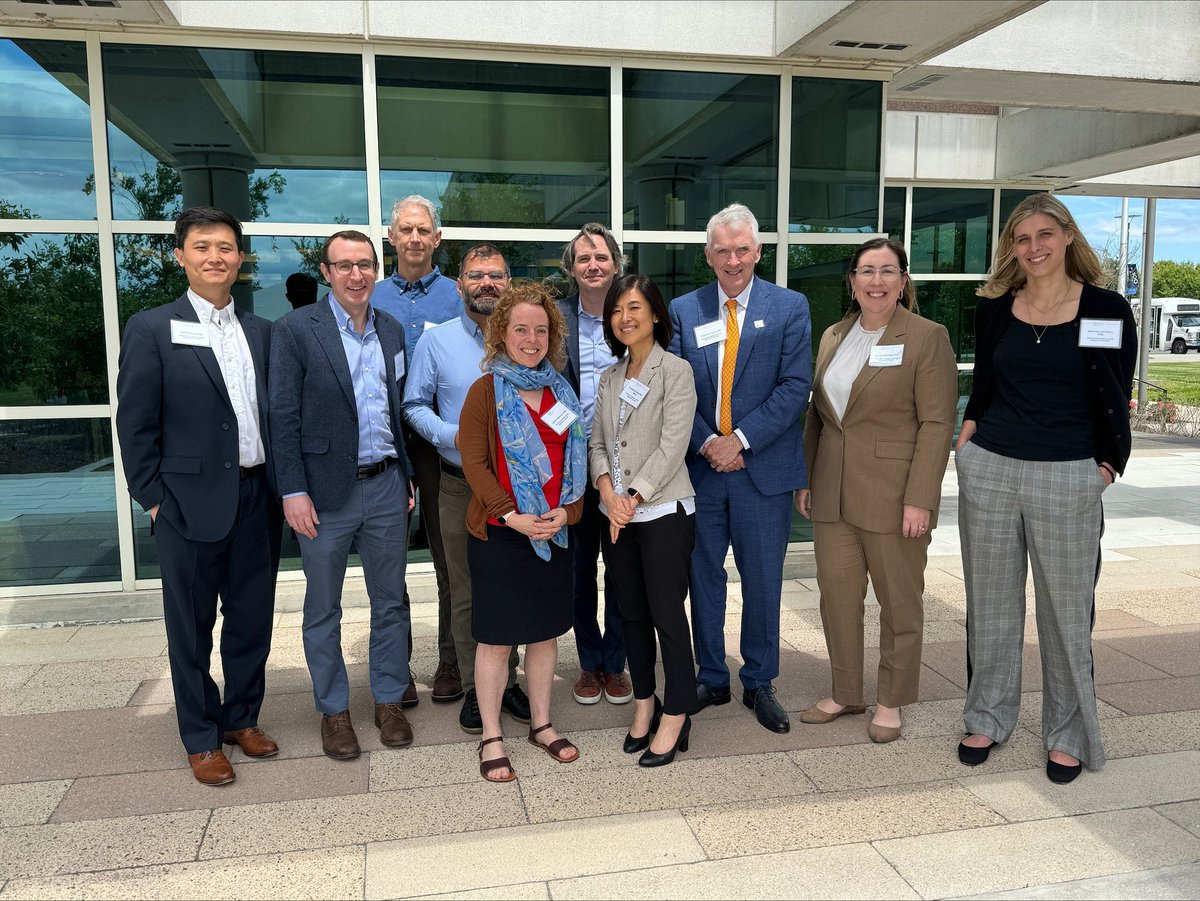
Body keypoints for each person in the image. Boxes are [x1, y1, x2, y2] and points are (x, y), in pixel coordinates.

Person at [955, 193, 1136, 784]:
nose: (1033, 246)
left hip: (1068, 474)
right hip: (993, 470)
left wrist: (1106, 465)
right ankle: (988, 715)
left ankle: (1069, 733)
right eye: (1021, 237)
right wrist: (968, 444)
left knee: (1064, 615)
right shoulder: (995, 310)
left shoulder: (1106, 309)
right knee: (990, 609)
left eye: (1043, 234)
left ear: (1066, 236)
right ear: (1012, 247)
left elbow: (1114, 391)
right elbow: (983, 385)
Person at [115, 206, 282, 786]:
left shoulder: (261, 331)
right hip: (186, 505)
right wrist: (154, 500)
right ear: (180, 255)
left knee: (251, 619)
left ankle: (241, 717)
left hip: (257, 496)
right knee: (189, 626)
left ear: (240, 259)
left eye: (227, 248)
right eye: (203, 246)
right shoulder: (151, 327)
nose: (216, 257)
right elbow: (134, 424)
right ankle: (200, 734)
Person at [795, 238, 957, 743]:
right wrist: (806, 477)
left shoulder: (927, 337)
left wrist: (920, 498)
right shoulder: (834, 335)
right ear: (852, 281)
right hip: (832, 494)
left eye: (888, 270)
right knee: (837, 598)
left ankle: (892, 699)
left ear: (903, 281)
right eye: (867, 270)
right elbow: (818, 417)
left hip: (894, 495)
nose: (877, 280)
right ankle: (846, 692)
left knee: (899, 602)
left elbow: (936, 424)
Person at [269, 230, 417, 761]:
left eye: (365, 265)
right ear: (327, 273)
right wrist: (292, 490)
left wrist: (406, 477)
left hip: (385, 486)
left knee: (391, 601)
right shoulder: (296, 330)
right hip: (323, 496)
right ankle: (333, 710)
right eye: (344, 265)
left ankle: (388, 699)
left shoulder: (393, 330)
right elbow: (281, 417)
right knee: (322, 609)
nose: (356, 275)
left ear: (376, 271)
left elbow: (398, 411)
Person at [668, 203, 812, 734]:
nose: (733, 259)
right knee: (702, 578)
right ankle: (711, 674)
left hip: (762, 471)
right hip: (701, 471)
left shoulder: (789, 306)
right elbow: (674, 389)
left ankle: (759, 679)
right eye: (722, 250)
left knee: (762, 581)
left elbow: (796, 386)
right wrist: (708, 441)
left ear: (758, 251)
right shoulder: (685, 311)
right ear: (709, 255)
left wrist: (741, 441)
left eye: (742, 249)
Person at [458, 282, 586, 782]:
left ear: (551, 335)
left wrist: (567, 513)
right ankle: (492, 734)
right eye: (520, 329)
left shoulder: (561, 389)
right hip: (502, 531)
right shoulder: (486, 389)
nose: (531, 339)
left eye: (540, 329)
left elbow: (575, 457)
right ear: (502, 333)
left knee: (545, 635)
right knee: (495, 641)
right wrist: (510, 513)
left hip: (553, 530)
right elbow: (474, 462)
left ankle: (541, 724)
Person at [401, 244, 530, 735]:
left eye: (496, 275)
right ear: (459, 286)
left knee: (512, 585)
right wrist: (452, 435)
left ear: (509, 284)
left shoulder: (527, 338)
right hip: (459, 486)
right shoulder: (436, 343)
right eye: (476, 276)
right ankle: (480, 690)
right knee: (464, 590)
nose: (486, 284)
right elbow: (413, 405)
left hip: (518, 489)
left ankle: (509, 681)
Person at [589, 274, 699, 766]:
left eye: (635, 307)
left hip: (662, 510)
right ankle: (644, 702)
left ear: (656, 314)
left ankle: (678, 710)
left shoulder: (675, 371)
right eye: (617, 310)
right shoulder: (609, 378)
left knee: (667, 615)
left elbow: (673, 445)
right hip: (617, 515)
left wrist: (632, 498)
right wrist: (608, 492)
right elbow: (595, 443)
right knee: (629, 612)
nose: (625, 318)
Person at [371, 195, 464, 704]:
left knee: (448, 558)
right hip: (385, 444)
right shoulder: (369, 295)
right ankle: (395, 668)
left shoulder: (458, 295)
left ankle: (450, 660)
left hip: (439, 448)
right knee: (389, 566)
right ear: (391, 237)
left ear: (437, 239)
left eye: (422, 230)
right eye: (404, 229)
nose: (413, 238)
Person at [556, 224, 631, 706]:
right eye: (583, 258)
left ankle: (617, 662)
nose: (593, 265)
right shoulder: (556, 317)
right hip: (573, 469)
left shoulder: (635, 314)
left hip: (627, 468)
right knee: (579, 572)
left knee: (623, 570)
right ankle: (588, 663)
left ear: (616, 264)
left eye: (601, 257)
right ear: (571, 268)